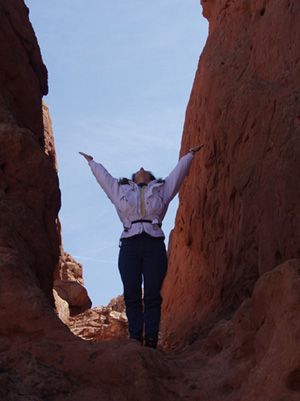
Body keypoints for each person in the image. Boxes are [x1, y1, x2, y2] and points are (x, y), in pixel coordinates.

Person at [79, 144, 203, 348]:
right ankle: (136, 337)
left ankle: (151, 339)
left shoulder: (162, 189)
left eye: (145, 169)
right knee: (132, 293)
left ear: (151, 178)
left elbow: (178, 174)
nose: (141, 167)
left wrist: (190, 155)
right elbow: (105, 179)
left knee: (153, 294)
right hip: (129, 246)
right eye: (138, 169)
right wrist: (92, 162)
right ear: (133, 177)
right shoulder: (121, 189)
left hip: (154, 244)